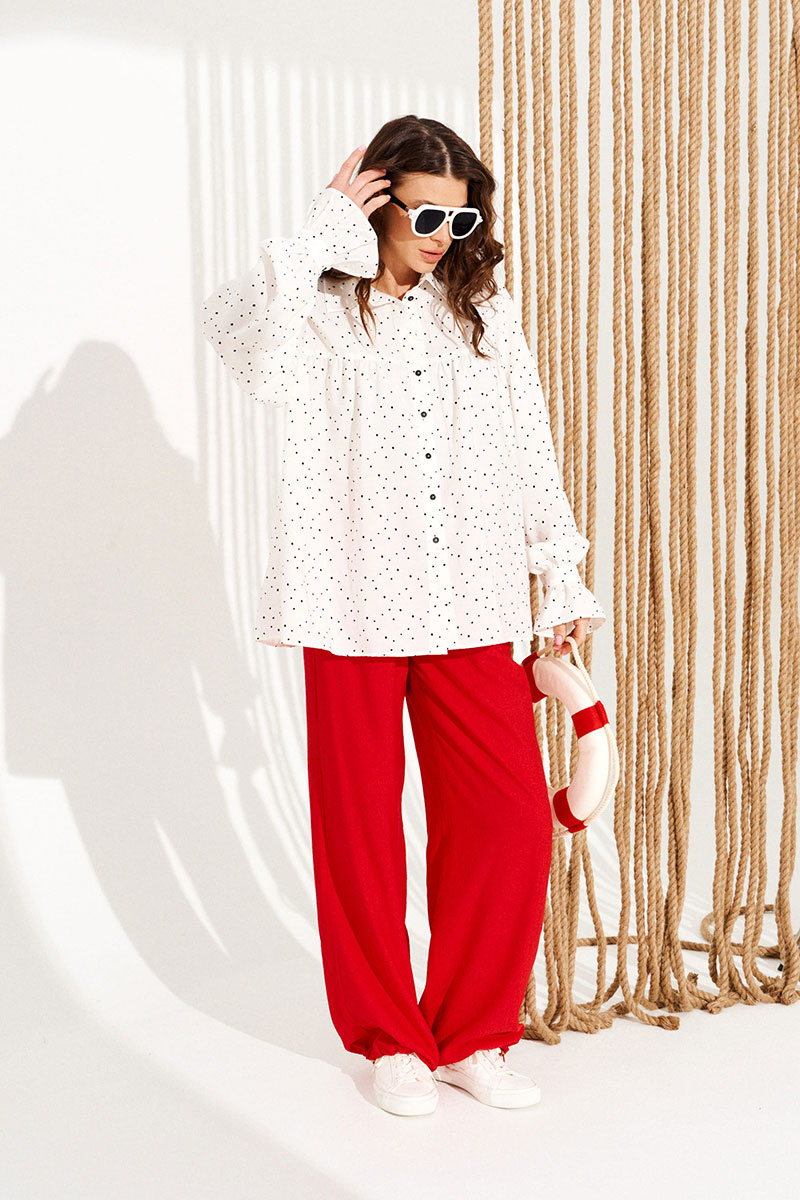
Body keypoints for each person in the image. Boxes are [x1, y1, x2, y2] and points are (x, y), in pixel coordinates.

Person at [201, 115, 606, 1116]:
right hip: (352, 600)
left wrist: (557, 580)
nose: (442, 236)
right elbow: (240, 341)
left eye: (460, 219)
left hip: (471, 596)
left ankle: (473, 1033)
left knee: (509, 821)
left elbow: (529, 445)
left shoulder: (480, 311)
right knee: (361, 836)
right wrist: (319, 232)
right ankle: (391, 1041)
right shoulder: (315, 310)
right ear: (377, 204)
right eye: (425, 214)